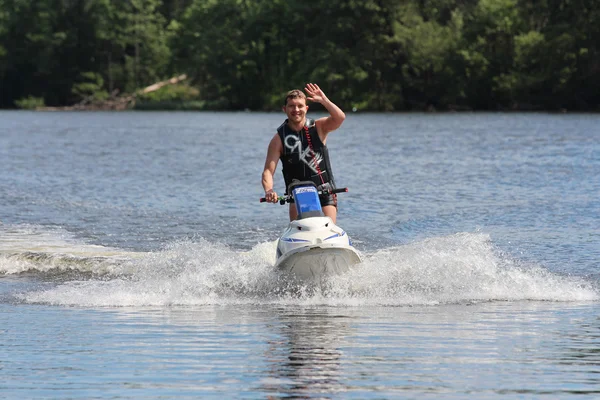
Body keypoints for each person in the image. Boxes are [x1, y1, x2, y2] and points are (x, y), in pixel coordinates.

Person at [262, 83, 345, 223]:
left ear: (306, 108)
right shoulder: (278, 140)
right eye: (292, 106)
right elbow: (268, 172)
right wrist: (269, 190)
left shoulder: (319, 127)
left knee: (328, 227)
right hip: (297, 194)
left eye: (300, 106)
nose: (296, 109)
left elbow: (339, 118)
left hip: (324, 190)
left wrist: (324, 100)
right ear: (284, 109)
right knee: (301, 229)